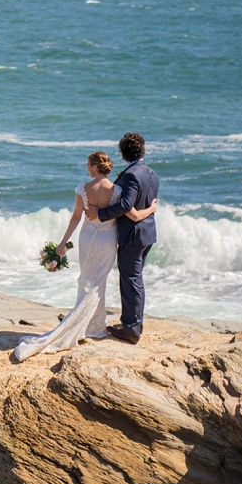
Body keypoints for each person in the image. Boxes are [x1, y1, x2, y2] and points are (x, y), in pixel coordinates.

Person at [12, 151, 157, 362]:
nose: (87, 168)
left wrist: (63, 243)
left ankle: (92, 325)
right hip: (108, 239)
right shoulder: (117, 190)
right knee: (98, 281)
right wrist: (152, 208)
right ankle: (94, 327)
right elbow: (133, 215)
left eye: (89, 165)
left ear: (95, 167)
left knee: (86, 279)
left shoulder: (83, 189)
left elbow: (75, 218)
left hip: (87, 238)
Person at [94, 132, 159, 345]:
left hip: (133, 234)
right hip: (147, 233)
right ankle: (135, 323)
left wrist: (100, 214)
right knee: (136, 279)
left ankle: (131, 328)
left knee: (130, 280)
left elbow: (125, 205)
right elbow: (148, 201)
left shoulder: (131, 175)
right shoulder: (151, 173)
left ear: (123, 153)